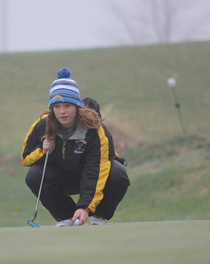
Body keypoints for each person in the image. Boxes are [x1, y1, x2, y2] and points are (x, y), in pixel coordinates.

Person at [21, 67, 130, 227]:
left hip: (91, 174)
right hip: (63, 178)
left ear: (77, 106)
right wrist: (42, 150)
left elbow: (96, 169)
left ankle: (98, 216)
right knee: (34, 175)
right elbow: (25, 158)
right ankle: (66, 216)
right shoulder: (41, 125)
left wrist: (85, 207)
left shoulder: (95, 129)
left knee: (117, 173)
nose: (62, 112)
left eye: (67, 106)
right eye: (57, 106)